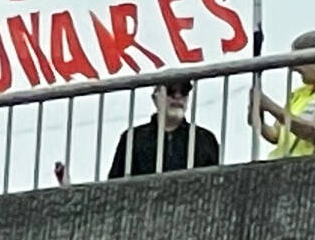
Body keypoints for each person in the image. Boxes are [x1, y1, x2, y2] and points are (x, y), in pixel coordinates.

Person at [54, 78, 222, 184]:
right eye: (171, 91)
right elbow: (114, 188)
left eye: (184, 92)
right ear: (156, 97)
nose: (178, 97)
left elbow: (217, 185)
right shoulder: (133, 139)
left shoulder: (204, 140)